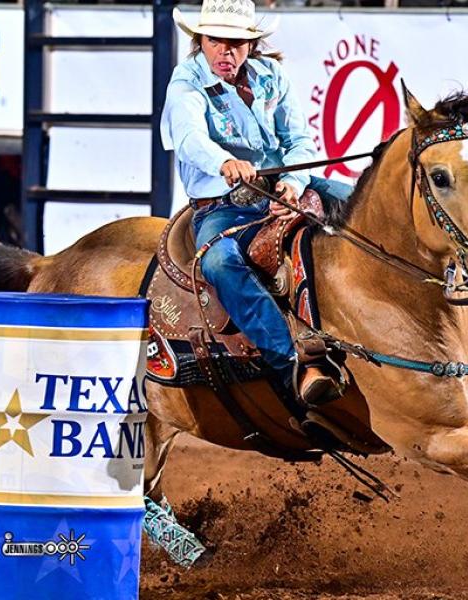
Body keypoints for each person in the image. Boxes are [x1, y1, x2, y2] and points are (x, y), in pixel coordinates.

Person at [161, 0, 354, 406]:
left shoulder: (272, 76)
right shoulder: (186, 82)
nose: (224, 52)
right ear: (201, 41)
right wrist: (224, 161)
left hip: (279, 184)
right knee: (218, 262)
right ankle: (292, 365)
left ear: (252, 45)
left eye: (236, 43)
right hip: (221, 202)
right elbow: (191, 138)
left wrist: (292, 182)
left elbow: (299, 140)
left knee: (361, 203)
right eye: (215, 41)